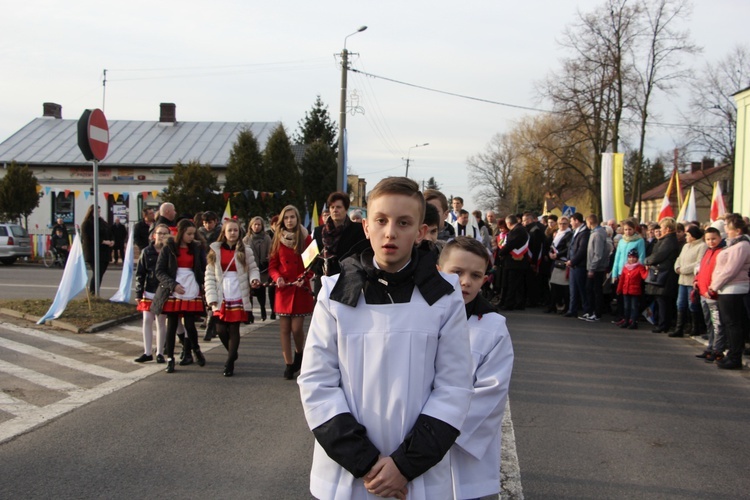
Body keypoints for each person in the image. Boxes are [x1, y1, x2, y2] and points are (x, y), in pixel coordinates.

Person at [297, 177, 473, 500]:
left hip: (417, 477)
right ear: (365, 227)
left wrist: (403, 466)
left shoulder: (444, 298)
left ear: (421, 231)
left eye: (403, 222)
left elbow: (454, 389)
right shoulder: (334, 294)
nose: (390, 232)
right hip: (348, 476)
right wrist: (367, 463)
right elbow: (316, 384)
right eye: (381, 221)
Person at [438, 237, 514, 500]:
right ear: (439, 270)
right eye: (457, 272)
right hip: (413, 442)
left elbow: (491, 390)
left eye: (476, 275)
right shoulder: (419, 315)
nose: (466, 281)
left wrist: (440, 431)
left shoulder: (493, 327)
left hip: (457, 444)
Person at [205, 219, 261, 377]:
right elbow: (209, 275)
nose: (233, 233)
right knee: (220, 329)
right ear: (224, 232)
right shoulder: (215, 250)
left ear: (239, 232)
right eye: (230, 230)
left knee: (234, 327)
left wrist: (254, 280)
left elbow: (253, 269)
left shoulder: (246, 250)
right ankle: (232, 351)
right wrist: (211, 296)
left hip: (238, 290)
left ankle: (229, 362)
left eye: (235, 230)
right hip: (221, 292)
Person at [151, 219, 207, 374]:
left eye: (193, 234)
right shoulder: (169, 248)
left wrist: (203, 284)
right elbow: (159, 271)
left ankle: (195, 350)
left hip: (190, 287)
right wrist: (173, 285)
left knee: (190, 324)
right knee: (172, 325)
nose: (191, 237)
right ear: (181, 233)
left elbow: (202, 268)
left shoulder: (196, 247)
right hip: (173, 289)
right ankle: (170, 359)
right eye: (189, 234)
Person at [269, 205, 315, 380]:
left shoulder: (306, 238)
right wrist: (277, 277)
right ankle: (288, 364)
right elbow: (272, 266)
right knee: (284, 329)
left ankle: (299, 352)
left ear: (297, 219)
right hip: (283, 289)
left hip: (300, 288)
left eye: (292, 217)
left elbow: (312, 264)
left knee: (296, 328)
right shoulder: (276, 239)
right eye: (286, 217)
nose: (289, 220)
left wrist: (305, 276)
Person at [709, 214, 750, 370]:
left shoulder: (742, 246)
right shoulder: (734, 245)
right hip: (727, 288)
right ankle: (731, 354)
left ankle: (735, 357)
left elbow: (730, 270)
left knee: (733, 324)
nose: (725, 229)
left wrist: (714, 285)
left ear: (737, 230)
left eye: (728, 227)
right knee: (729, 323)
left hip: (734, 288)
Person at [134, 224, 170, 363]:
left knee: (161, 322)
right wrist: (138, 293)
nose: (161, 236)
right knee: (147, 320)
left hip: (163, 291)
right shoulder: (146, 251)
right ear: (153, 235)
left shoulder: (169, 251)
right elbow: (140, 274)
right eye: (159, 233)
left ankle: (160, 352)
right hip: (148, 290)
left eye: (164, 233)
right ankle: (147, 352)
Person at [694, 227, 726, 362]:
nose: (711, 242)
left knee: (717, 323)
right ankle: (710, 347)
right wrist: (696, 280)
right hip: (703, 292)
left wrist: (712, 290)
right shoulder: (707, 252)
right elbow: (701, 269)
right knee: (709, 323)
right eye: (708, 239)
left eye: (714, 239)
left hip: (713, 294)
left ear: (719, 238)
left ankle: (717, 350)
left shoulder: (722, 252)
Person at [644, 217, 680, 333]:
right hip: (662, 273)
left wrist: (647, 261)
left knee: (663, 301)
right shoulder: (666, 240)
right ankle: (661, 323)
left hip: (665, 275)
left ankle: (663, 324)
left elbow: (659, 255)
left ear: (668, 229)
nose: (660, 230)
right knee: (661, 300)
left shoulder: (669, 241)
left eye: (662, 227)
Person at [671, 225, 707, 337]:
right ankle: (679, 328)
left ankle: (695, 327)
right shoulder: (686, 246)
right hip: (682, 280)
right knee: (680, 303)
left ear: (694, 236)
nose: (686, 236)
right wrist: (677, 268)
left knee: (692, 304)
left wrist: (683, 270)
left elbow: (699, 262)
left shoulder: (702, 246)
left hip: (692, 279)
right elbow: (679, 259)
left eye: (688, 234)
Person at [610, 220, 647, 324]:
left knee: (632, 299)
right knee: (620, 296)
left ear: (634, 229)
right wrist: (614, 273)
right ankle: (623, 316)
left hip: (633, 272)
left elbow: (641, 256)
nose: (627, 232)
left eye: (630, 229)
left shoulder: (639, 241)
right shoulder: (622, 241)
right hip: (621, 272)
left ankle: (632, 318)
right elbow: (617, 257)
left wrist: (638, 270)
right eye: (625, 229)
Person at [581, 214, 612, 322]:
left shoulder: (598, 234)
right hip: (593, 267)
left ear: (589, 222)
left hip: (596, 268)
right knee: (590, 290)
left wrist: (592, 268)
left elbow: (597, 254)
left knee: (595, 291)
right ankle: (590, 311)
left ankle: (596, 313)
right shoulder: (595, 233)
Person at [243, 216, 274, 321]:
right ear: (251, 226)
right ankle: (249, 313)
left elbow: (271, 250)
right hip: (250, 268)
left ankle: (263, 309)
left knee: (261, 290)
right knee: (250, 292)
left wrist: (268, 257)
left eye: (259, 224)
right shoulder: (246, 239)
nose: (256, 227)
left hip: (263, 269)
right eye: (254, 224)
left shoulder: (266, 238)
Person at [497, 214, 530, 311]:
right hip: (516, 262)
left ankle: (509, 303)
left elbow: (511, 244)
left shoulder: (518, 230)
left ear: (508, 223)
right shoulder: (520, 229)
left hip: (515, 262)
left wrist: (501, 252)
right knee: (517, 284)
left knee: (512, 284)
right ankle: (518, 303)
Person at [80, 205, 114, 294]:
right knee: (97, 273)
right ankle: (92, 293)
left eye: (99, 211)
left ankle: (95, 292)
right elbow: (89, 238)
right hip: (93, 252)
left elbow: (109, 232)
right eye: (97, 212)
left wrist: (112, 241)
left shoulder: (102, 222)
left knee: (100, 273)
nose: (98, 213)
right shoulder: (87, 224)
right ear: (91, 212)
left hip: (104, 252)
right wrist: (103, 241)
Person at [565, 213, 590, 318]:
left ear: (576, 220)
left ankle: (586, 310)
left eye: (571, 221)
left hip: (579, 265)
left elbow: (582, 250)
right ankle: (572, 309)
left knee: (582, 289)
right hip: (573, 265)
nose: (570, 223)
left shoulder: (584, 233)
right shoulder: (576, 232)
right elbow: (571, 247)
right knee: (573, 289)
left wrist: (573, 261)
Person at [616, 248, 648, 329]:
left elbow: (644, 276)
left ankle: (634, 322)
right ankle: (626, 321)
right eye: (630, 257)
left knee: (634, 307)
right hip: (625, 290)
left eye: (633, 257)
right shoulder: (625, 267)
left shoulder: (639, 267)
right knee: (626, 307)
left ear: (637, 258)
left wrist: (647, 270)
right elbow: (622, 279)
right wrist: (619, 289)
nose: (631, 259)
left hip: (635, 291)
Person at [548, 216, 573, 314]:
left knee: (564, 287)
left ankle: (566, 307)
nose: (562, 226)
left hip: (563, 262)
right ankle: (552, 306)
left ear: (568, 224)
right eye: (560, 224)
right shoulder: (557, 233)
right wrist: (550, 253)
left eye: (564, 224)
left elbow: (568, 248)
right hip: (555, 262)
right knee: (553, 285)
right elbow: (552, 245)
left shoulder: (569, 234)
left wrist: (557, 254)